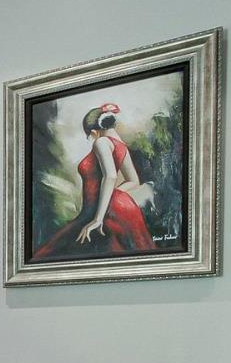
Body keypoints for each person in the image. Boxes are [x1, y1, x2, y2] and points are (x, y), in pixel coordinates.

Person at [32, 103, 156, 260]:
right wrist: (112, 196)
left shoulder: (101, 142)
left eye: (90, 135)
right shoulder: (122, 146)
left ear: (93, 132)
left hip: (103, 211)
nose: (91, 138)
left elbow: (110, 176)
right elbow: (134, 181)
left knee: (55, 252)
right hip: (120, 206)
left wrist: (98, 217)